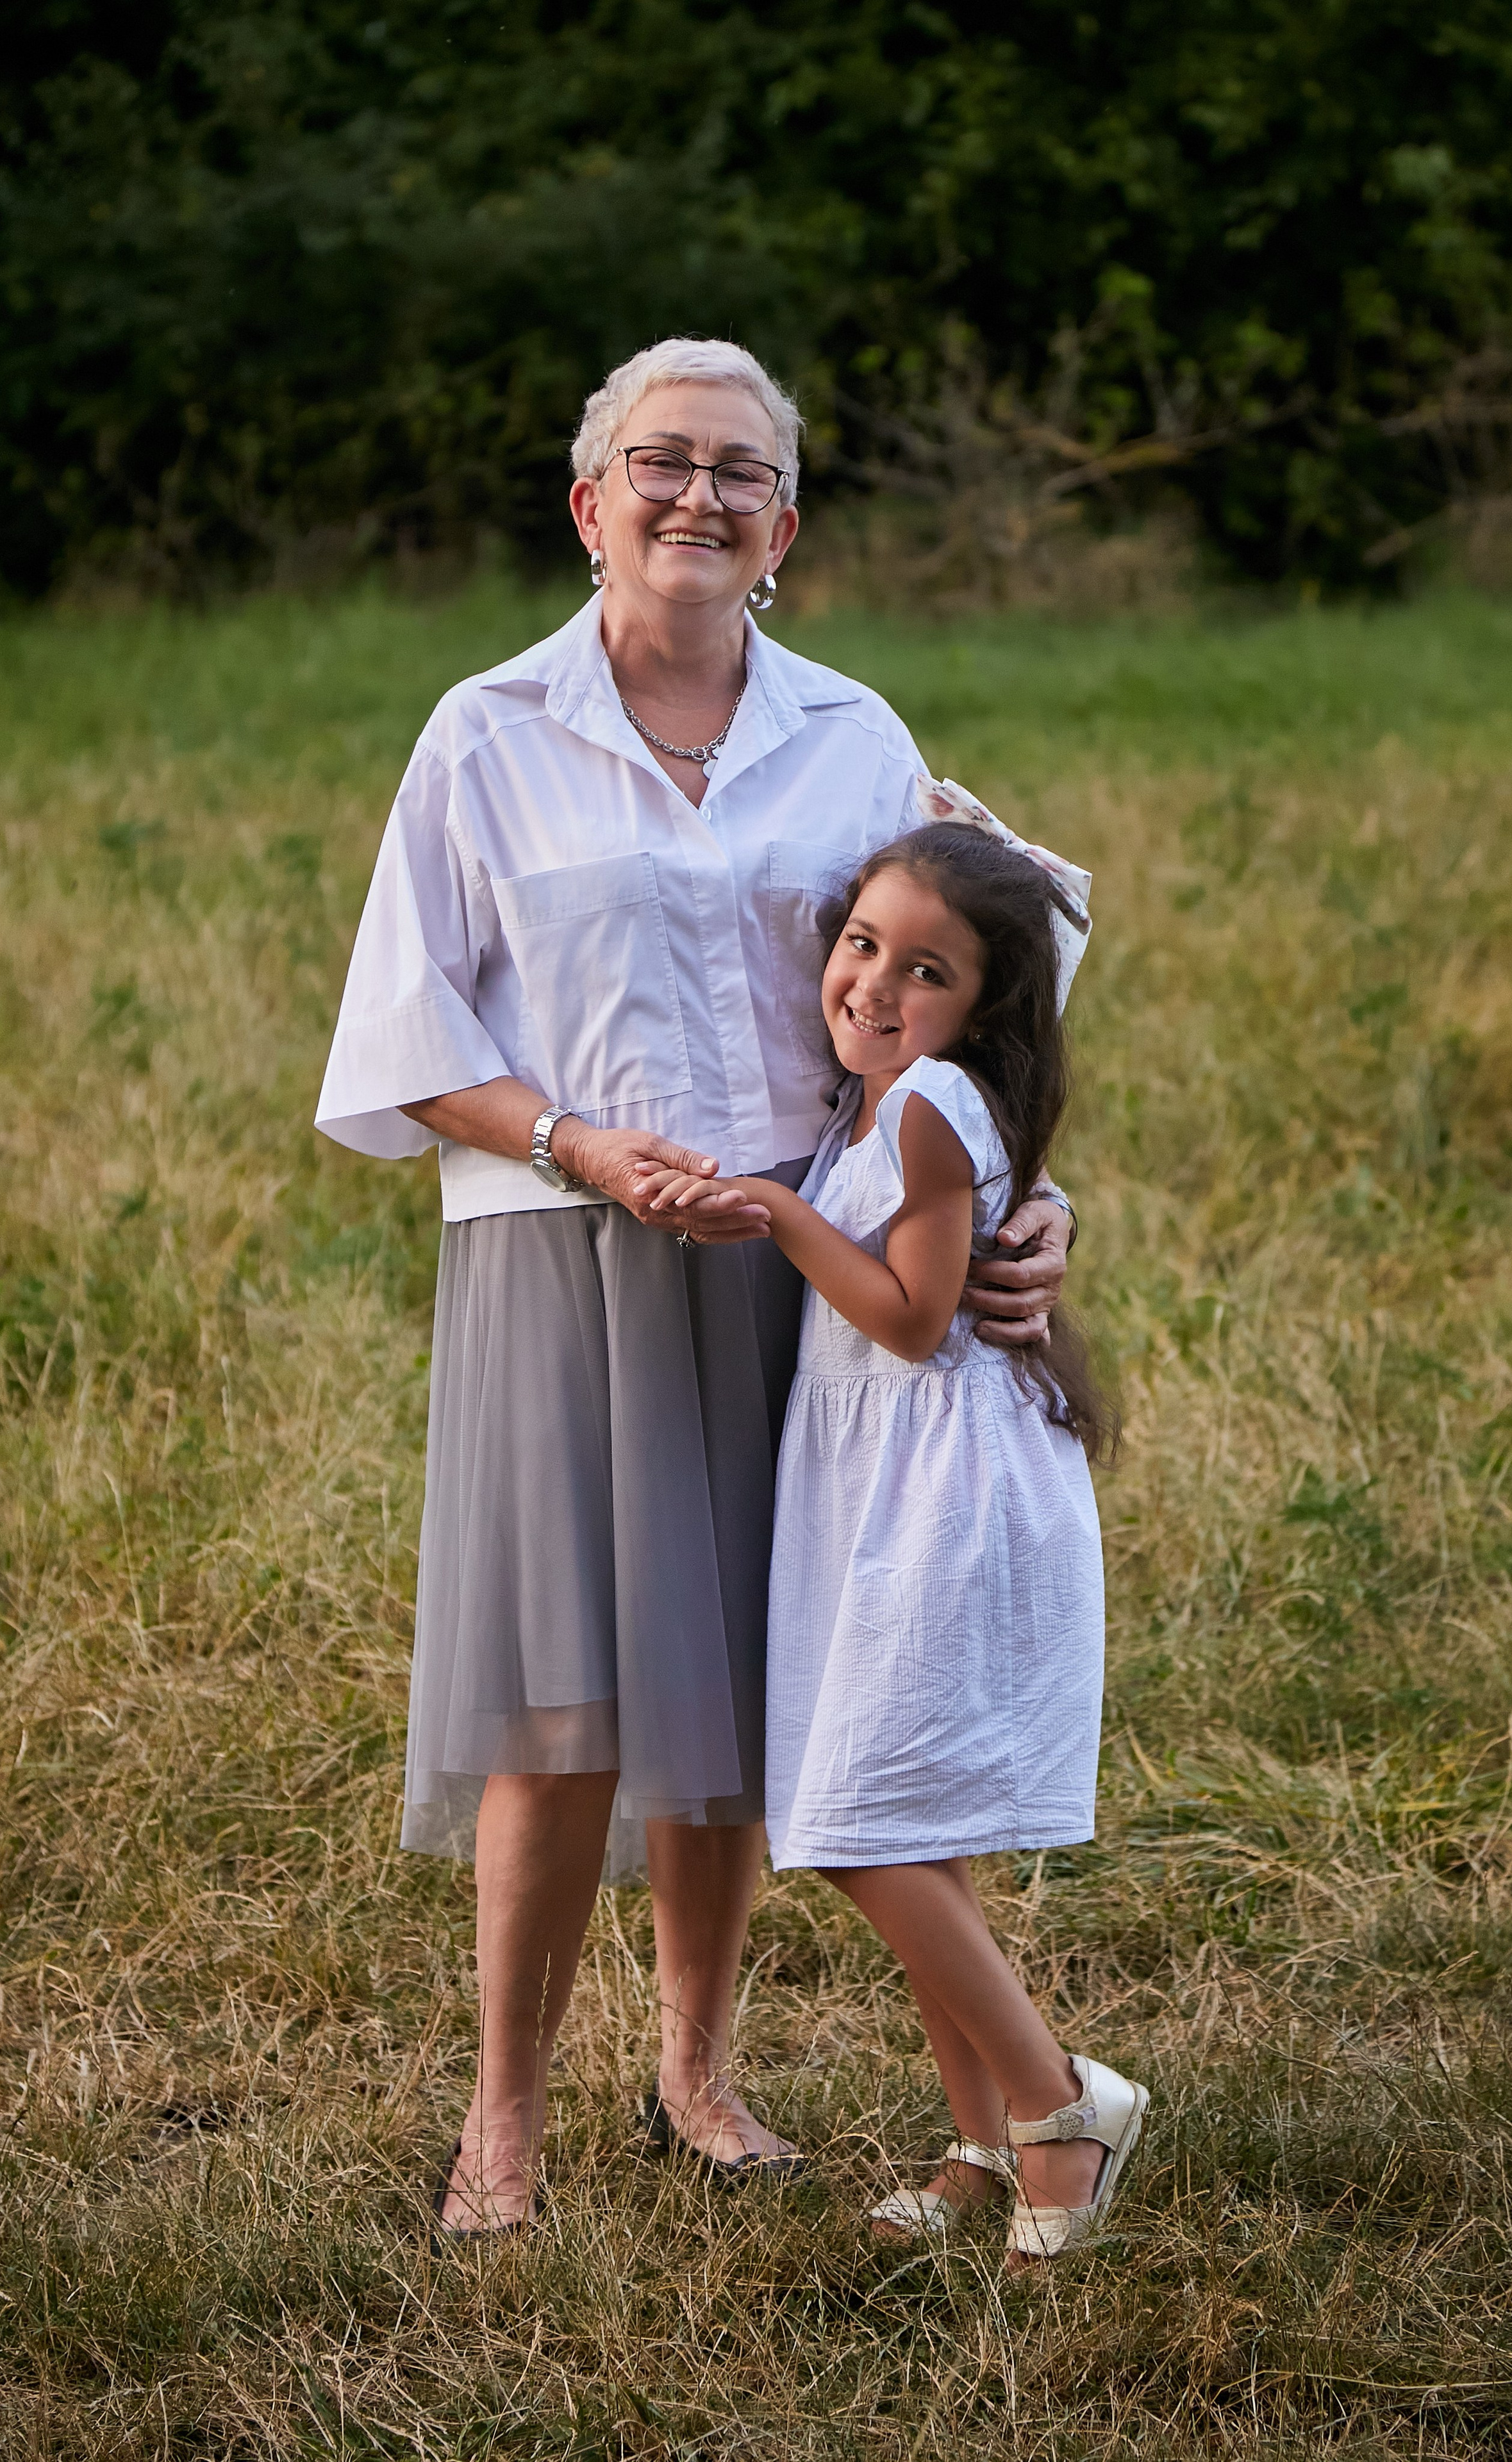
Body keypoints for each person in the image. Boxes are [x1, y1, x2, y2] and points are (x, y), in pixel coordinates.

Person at [314, 339, 1077, 2237]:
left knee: (739, 1689)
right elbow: (408, 1029)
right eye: (660, 464)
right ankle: (502, 2126)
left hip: (792, 1263)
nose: (697, 497)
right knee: (557, 1708)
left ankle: (700, 2074)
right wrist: (576, 1141)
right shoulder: (483, 730)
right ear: (592, 506)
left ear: (785, 527)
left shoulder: (858, 740)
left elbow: (996, 979)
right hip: (557, 1256)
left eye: (741, 473)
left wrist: (1025, 1207)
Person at [642, 800, 1147, 2257]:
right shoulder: (881, 1096)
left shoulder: (928, 1105)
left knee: (862, 1828)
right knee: (908, 1824)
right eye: (861, 945)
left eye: (925, 971)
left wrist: (771, 1215)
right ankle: (978, 2152)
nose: (872, 985)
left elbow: (914, 1321)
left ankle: (1062, 2114)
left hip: (939, 1501)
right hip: (882, 1490)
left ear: (983, 1007)